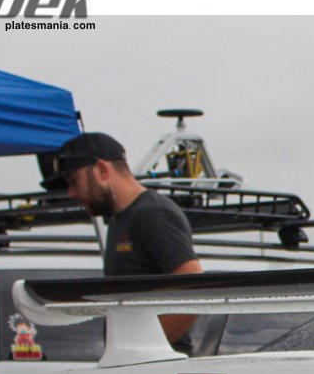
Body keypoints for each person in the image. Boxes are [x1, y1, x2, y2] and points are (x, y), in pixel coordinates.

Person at [47, 132, 202, 349]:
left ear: (102, 170)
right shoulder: (121, 218)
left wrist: (143, 349)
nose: (71, 192)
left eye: (74, 181)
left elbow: (193, 288)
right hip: (131, 362)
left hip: (154, 364)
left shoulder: (152, 214)